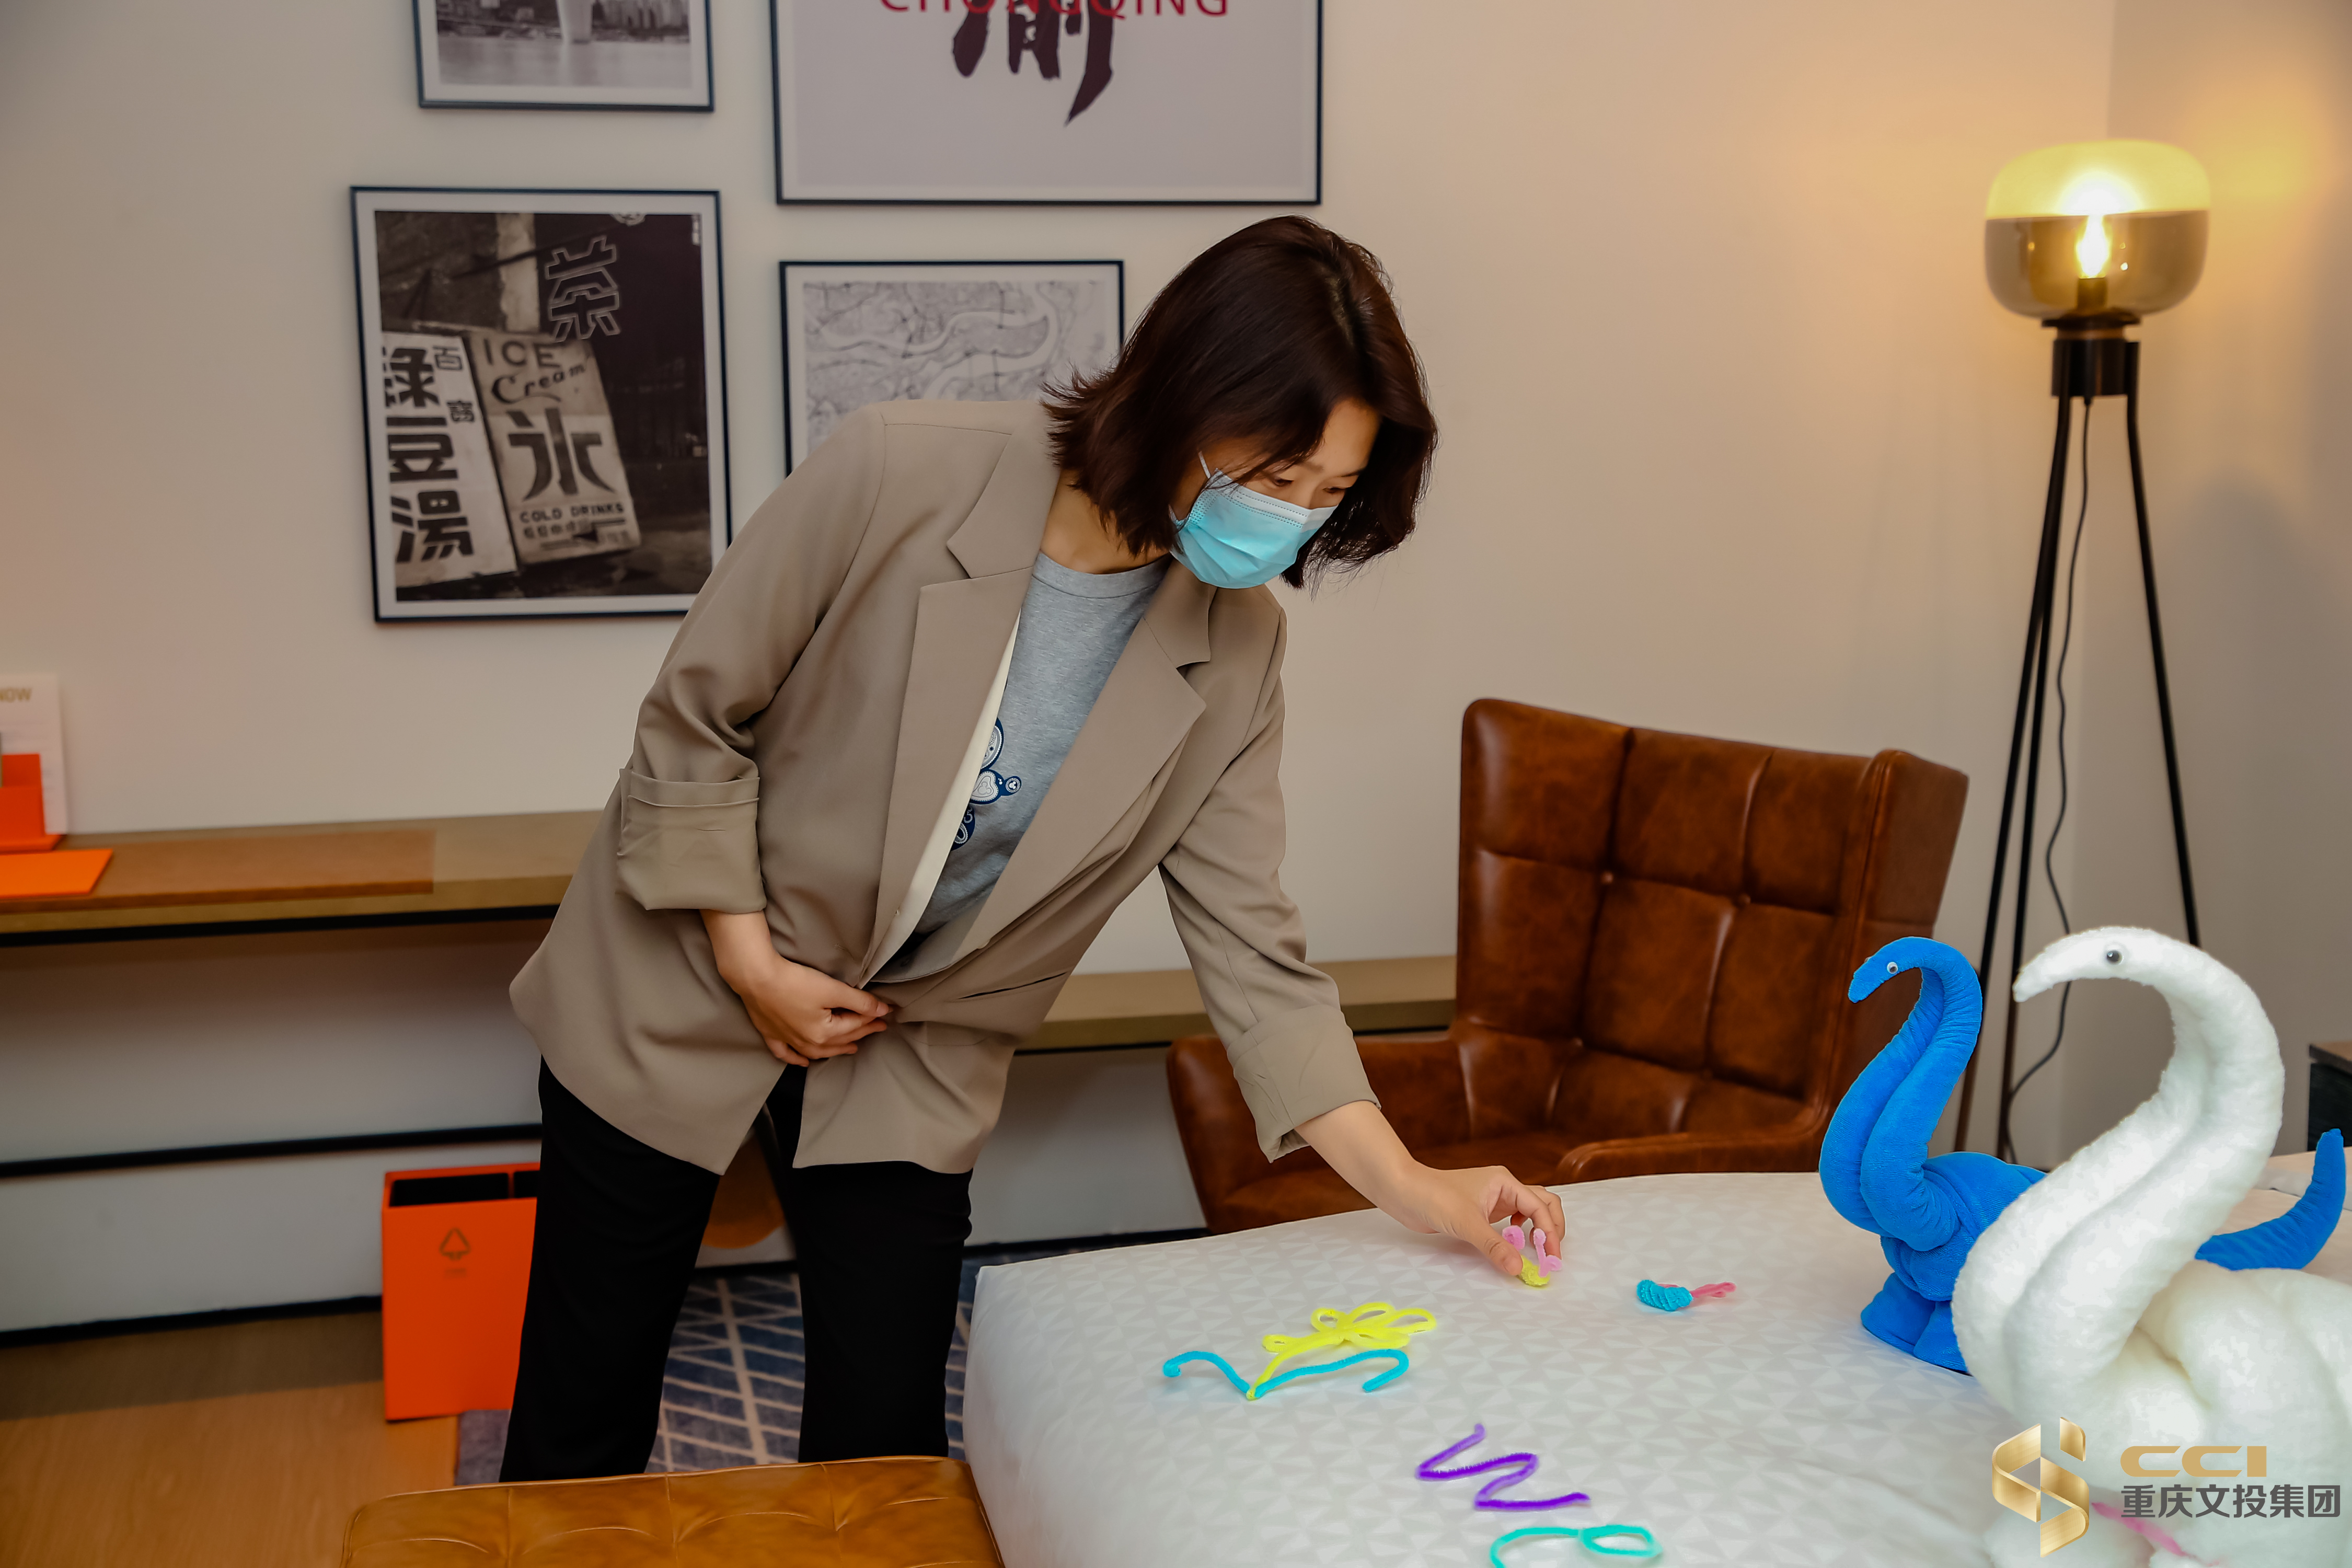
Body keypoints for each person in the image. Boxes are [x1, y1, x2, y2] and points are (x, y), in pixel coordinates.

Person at [499, 216, 1569, 1482]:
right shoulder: (897, 469)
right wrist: (746, 955)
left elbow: (1256, 955)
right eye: (1276, 477)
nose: (1291, 522)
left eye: (1328, 495)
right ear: (1182, 399)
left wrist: (1417, 1184)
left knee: (886, 1451)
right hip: (684, 973)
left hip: (911, 1041)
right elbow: (696, 715)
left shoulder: (1239, 650)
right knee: (583, 1407)